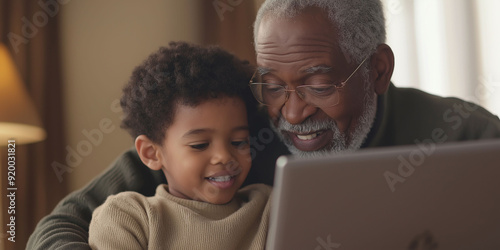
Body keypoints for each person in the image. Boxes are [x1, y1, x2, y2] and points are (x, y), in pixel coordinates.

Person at [27, 0, 500, 248]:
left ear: (377, 69)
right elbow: (57, 227)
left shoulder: (467, 136)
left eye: (318, 84)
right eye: (272, 85)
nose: (291, 114)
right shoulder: (233, 137)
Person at [87, 42, 271, 249]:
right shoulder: (129, 218)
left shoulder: (270, 207)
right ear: (152, 153)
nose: (224, 156)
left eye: (238, 142)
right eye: (200, 145)